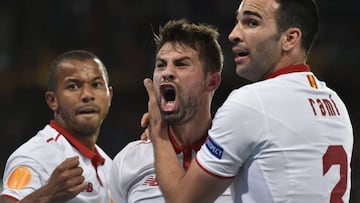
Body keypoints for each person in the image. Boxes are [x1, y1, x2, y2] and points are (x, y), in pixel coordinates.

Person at [144, 0, 354, 202]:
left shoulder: (250, 102)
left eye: (252, 23)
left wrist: (159, 131)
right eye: (237, 22)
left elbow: (182, 199)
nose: (234, 34)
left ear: (290, 39)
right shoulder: (335, 104)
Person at [109, 19, 232, 203]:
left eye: (181, 64)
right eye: (160, 65)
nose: (167, 72)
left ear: (212, 81)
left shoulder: (237, 156)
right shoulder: (129, 160)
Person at [0, 50, 114, 203]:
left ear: (109, 96)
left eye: (96, 84)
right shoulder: (35, 155)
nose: (87, 94)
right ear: (52, 100)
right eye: (73, 86)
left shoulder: (109, 164)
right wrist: (47, 195)